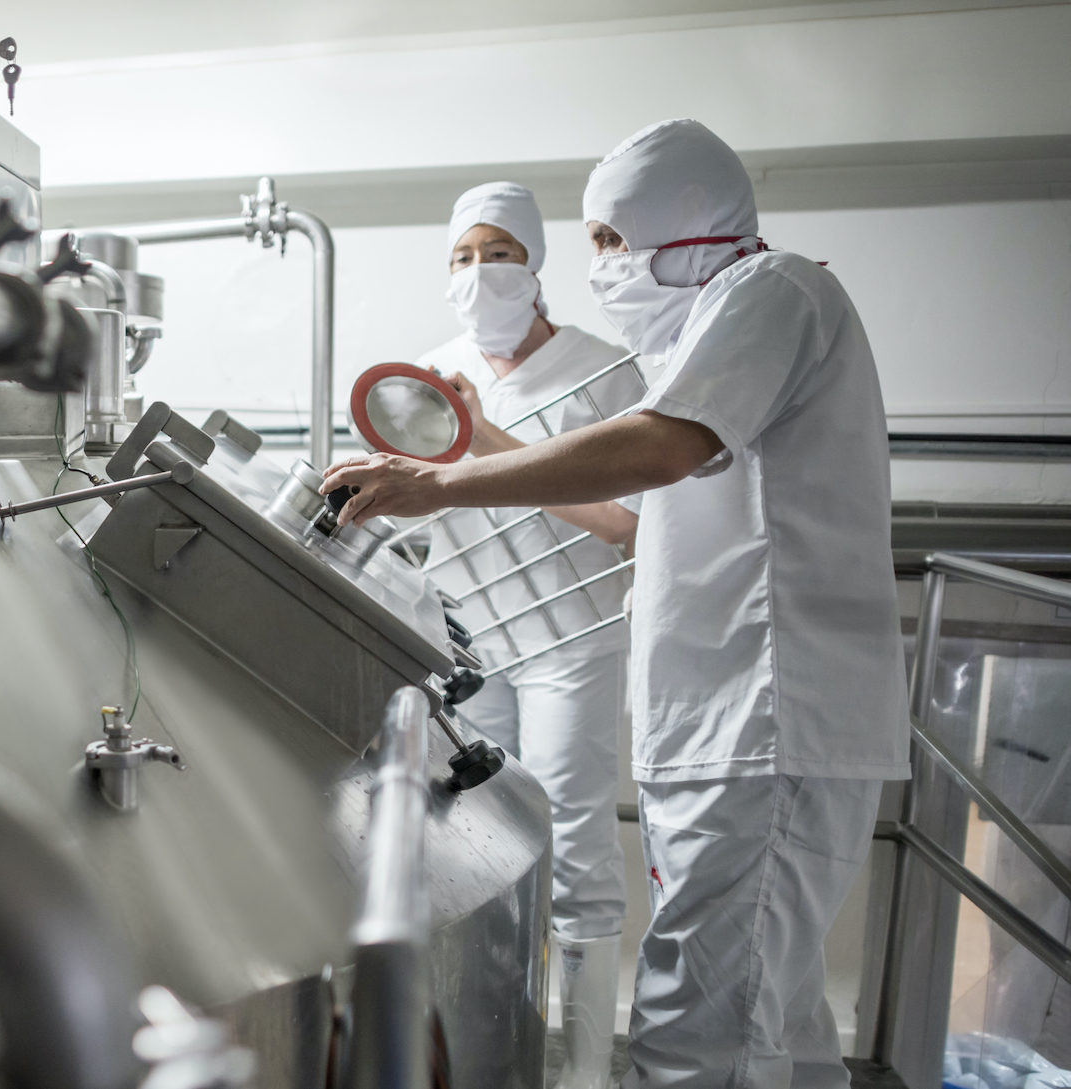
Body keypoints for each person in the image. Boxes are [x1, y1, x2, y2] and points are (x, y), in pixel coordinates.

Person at [327, 119, 910, 1089]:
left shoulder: (772, 291)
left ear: (676, 224)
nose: (599, 264)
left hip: (766, 712)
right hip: (720, 711)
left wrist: (444, 478)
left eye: (607, 239)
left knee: (706, 1034)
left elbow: (659, 449)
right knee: (772, 1023)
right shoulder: (710, 324)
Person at [413, 181, 638, 1089]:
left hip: (574, 642)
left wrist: (486, 433)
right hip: (473, 648)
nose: (479, 274)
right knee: (479, 852)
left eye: (498, 253)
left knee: (578, 854)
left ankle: (582, 1072)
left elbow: (628, 521)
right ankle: (491, 1057)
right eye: (462, 257)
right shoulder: (429, 373)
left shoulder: (608, 372)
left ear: (536, 264)